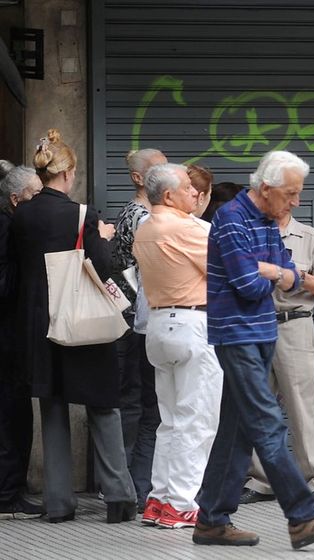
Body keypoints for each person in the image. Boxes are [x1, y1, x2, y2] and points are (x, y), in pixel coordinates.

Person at [195, 150, 314, 549]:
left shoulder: (265, 221)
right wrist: (275, 273)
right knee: (268, 424)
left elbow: (286, 272)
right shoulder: (231, 220)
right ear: (266, 188)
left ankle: (211, 520)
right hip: (238, 336)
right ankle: (302, 517)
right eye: (291, 194)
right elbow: (249, 285)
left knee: (236, 431)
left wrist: (273, 271)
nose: (296, 202)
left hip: (261, 333)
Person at [12, 129, 137, 522]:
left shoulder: (21, 216)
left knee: (52, 409)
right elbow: (102, 268)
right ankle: (119, 498)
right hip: (83, 321)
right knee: (103, 405)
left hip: (40, 324)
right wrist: (101, 237)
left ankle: (58, 503)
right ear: (68, 174)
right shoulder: (82, 214)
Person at [132, 163, 224, 529]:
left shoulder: (145, 228)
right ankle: (182, 504)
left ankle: (160, 498)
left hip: (158, 325)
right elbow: (227, 269)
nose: (194, 193)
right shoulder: (187, 228)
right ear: (169, 195)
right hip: (193, 324)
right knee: (197, 420)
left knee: (170, 420)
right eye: (187, 187)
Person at [242, 185, 314, 504]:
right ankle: (261, 480)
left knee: (302, 405)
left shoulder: (309, 238)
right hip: (254, 326)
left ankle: (313, 480)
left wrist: (296, 277)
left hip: (293, 325)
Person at [112, 148, 167, 508]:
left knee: (140, 406)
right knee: (140, 407)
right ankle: (129, 486)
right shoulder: (140, 217)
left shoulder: (143, 215)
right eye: (159, 169)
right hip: (136, 325)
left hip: (143, 322)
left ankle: (129, 485)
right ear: (138, 178)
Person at [0, 165, 45, 519]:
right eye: (35, 196)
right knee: (10, 413)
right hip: (7, 339)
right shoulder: (8, 230)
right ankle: (8, 494)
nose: (41, 203)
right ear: (16, 200)